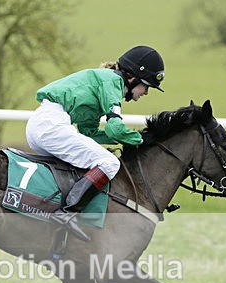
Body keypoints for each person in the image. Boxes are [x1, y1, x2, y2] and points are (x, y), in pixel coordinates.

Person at [25, 45, 165, 241]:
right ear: (132, 78)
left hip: (43, 125)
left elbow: (89, 133)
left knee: (87, 163)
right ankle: (68, 212)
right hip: (51, 125)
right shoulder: (113, 81)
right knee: (110, 163)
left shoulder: (103, 81)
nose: (146, 93)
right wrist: (140, 139)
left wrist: (126, 138)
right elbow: (115, 129)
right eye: (146, 86)